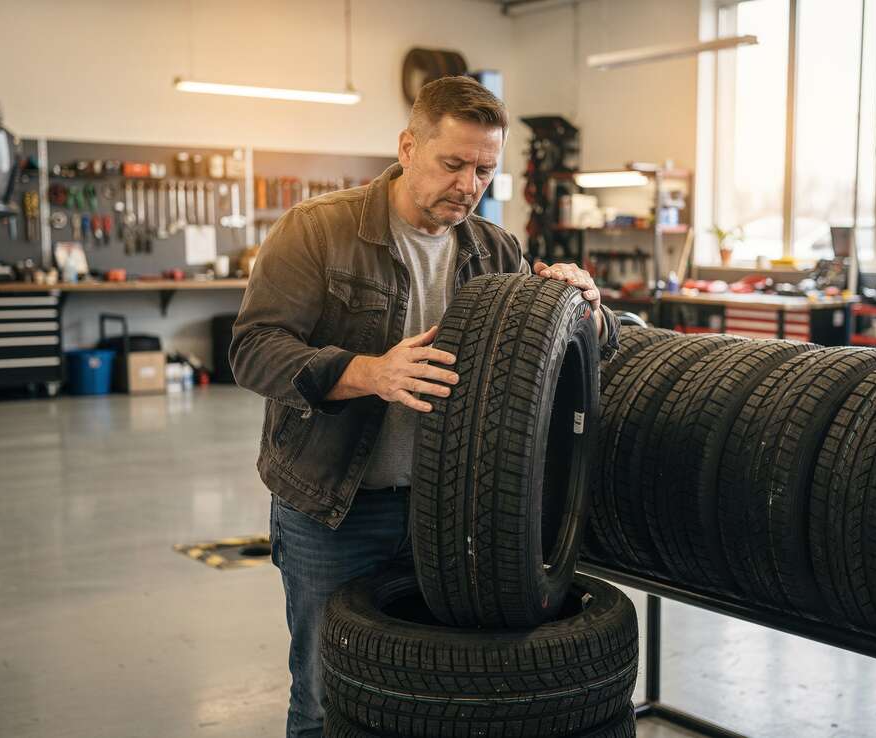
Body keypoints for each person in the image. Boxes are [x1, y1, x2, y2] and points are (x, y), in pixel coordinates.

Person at [228, 75, 620, 738]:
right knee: (326, 694)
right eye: (453, 164)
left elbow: (568, 348)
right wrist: (366, 373)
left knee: (427, 688)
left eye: (485, 171)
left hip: (449, 509)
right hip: (335, 508)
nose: (469, 185)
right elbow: (253, 350)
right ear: (408, 147)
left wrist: (585, 305)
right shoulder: (317, 232)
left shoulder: (494, 250)